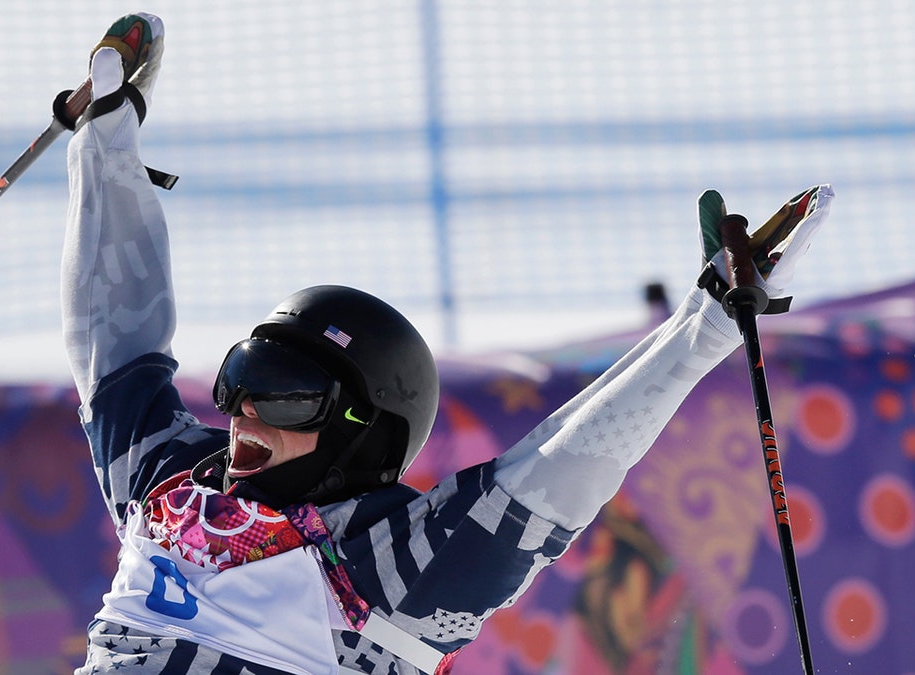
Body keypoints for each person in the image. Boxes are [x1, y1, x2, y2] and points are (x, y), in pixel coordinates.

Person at [61, 13, 834, 675]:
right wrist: (108, 137)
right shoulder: (169, 482)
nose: (244, 415)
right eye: (241, 379)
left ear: (359, 436)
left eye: (289, 397)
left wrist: (703, 329)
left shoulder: (389, 567)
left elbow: (555, 474)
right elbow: (114, 337)